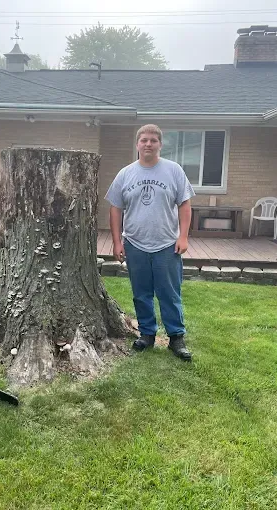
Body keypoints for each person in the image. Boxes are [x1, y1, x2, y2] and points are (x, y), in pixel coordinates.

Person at [105, 124, 195, 361]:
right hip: (135, 243)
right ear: (137, 144)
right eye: (144, 140)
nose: (148, 144)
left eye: (153, 140)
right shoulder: (125, 174)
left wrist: (183, 236)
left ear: (160, 144)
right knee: (141, 293)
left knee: (169, 293)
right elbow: (115, 209)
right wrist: (117, 241)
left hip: (167, 244)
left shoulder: (173, 171)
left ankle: (176, 337)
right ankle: (147, 334)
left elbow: (184, 205)